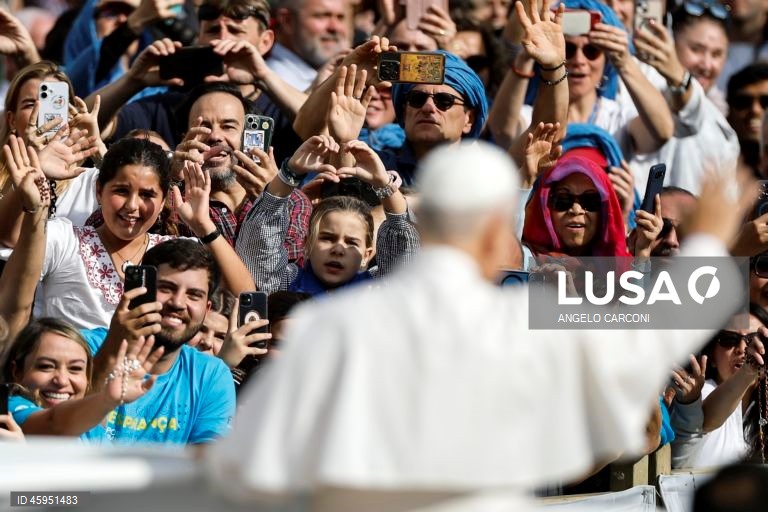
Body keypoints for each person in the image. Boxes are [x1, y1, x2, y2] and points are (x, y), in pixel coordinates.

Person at [206, 140, 753, 509]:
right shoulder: (523, 322)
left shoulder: (332, 324)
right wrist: (710, 242)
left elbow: (249, 469)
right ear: (499, 237)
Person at [3, 136, 254, 330]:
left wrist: (204, 226)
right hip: (66, 384)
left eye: (147, 195)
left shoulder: (174, 254)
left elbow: (245, 296)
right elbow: (7, 242)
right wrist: (26, 193)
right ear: (99, 190)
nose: (132, 206)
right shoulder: (63, 239)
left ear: (164, 198)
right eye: (121, 191)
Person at [86, 238, 237, 444]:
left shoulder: (211, 375)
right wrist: (111, 353)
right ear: (141, 290)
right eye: (166, 288)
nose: (178, 303)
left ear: (206, 309)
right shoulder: (84, 348)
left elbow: (206, 461)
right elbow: (61, 432)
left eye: (194, 295)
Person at [236, 136, 419, 294]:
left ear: (367, 254)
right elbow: (259, 243)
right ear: (307, 244)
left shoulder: (376, 291)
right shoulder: (283, 282)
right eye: (327, 238)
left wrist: (384, 184)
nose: (338, 250)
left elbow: (404, 250)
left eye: (351, 242)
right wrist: (290, 173)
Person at [2, 317, 161, 441]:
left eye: (75, 369)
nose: (62, 381)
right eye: (46, 366)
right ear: (16, 371)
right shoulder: (9, 407)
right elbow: (54, 424)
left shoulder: (93, 429)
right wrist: (106, 400)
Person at [670, 313, 766, 468]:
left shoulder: (761, 403)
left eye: (754, 340)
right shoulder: (702, 392)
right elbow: (707, 419)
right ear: (712, 356)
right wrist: (750, 369)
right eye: (729, 339)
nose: (742, 349)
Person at [268, 0, 353, 91]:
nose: (335, 27)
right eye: (322, 16)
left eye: (340, 17)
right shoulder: (271, 82)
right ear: (287, 21)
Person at [727, 63, 768, 176]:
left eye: (766, 102)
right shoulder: (713, 165)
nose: (755, 110)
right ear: (729, 110)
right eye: (743, 102)